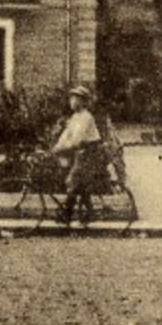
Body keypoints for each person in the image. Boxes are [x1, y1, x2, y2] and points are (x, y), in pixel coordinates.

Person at [53, 85, 105, 228]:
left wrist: (60, 148)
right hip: (81, 152)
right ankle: (89, 212)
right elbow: (67, 134)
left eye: (75, 99)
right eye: (71, 98)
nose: (72, 102)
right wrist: (56, 147)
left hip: (89, 152)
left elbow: (77, 140)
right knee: (79, 184)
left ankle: (66, 215)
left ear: (83, 102)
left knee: (72, 180)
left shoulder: (86, 117)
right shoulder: (75, 117)